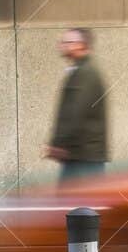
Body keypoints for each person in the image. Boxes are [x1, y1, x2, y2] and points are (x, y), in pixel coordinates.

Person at [45, 27, 109, 182]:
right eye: (63, 42)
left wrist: (59, 143)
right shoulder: (79, 70)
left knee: (77, 202)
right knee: (77, 202)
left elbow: (76, 112)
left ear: (81, 45)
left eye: (68, 42)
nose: (63, 46)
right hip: (80, 154)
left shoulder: (86, 73)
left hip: (83, 156)